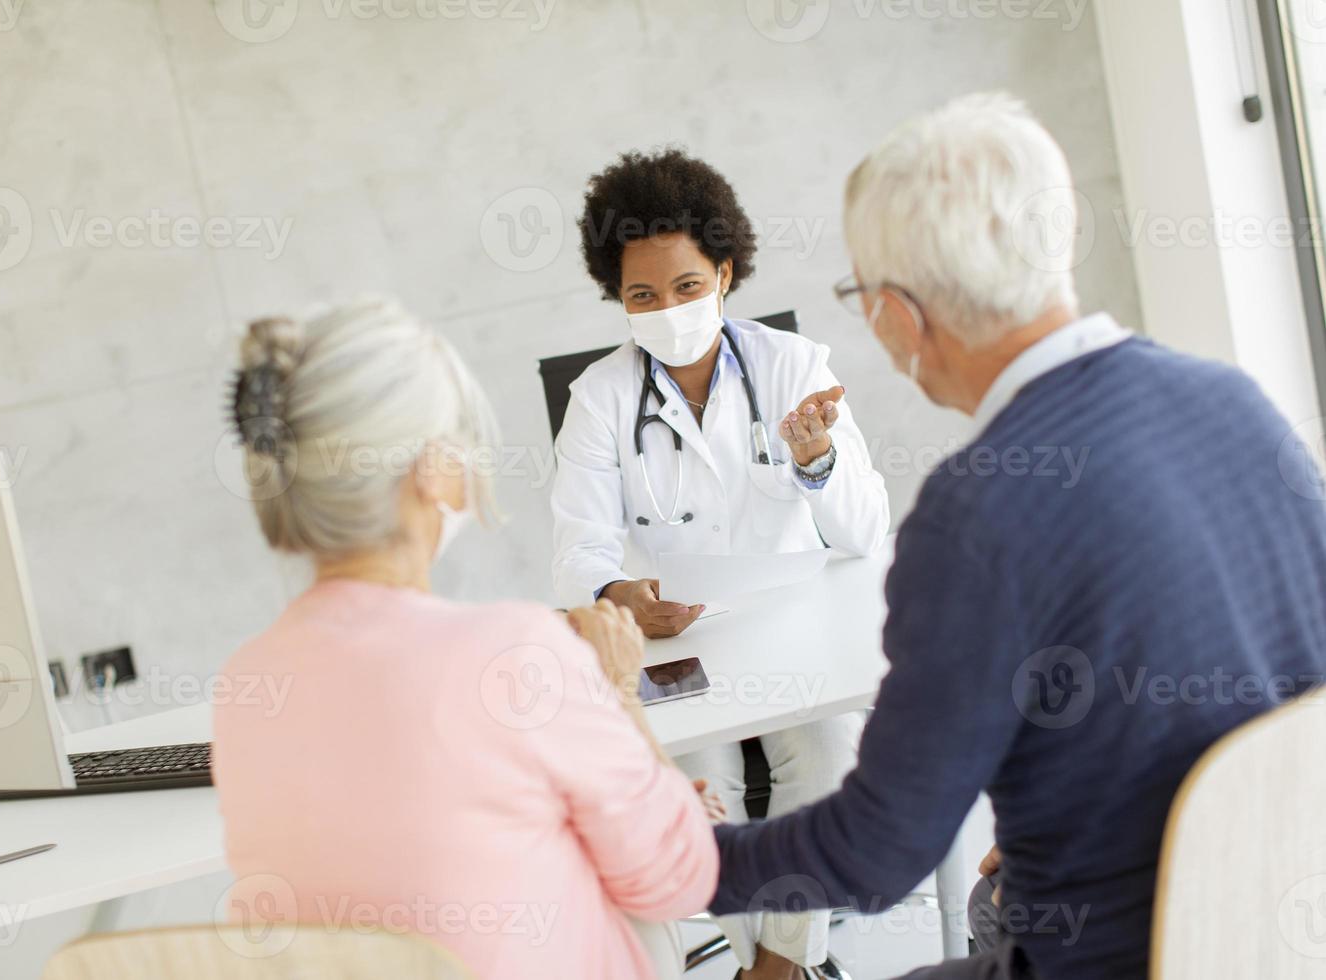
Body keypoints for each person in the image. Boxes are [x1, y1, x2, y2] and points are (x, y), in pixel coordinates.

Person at [708, 92, 1326, 980]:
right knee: (988, 902)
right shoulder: (1237, 403)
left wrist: (688, 856)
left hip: (1132, 957)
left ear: (896, 315)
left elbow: (879, 854)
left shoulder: (975, 514)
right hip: (1284, 933)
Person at [211, 298, 721, 980]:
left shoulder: (243, 687)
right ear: (431, 468)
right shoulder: (512, 652)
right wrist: (618, 697)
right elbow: (676, 881)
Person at [551, 148, 891, 980]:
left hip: (798, 629)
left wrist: (815, 463)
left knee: (826, 761)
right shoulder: (600, 398)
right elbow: (578, 551)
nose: (666, 309)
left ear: (726, 273)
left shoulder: (793, 369)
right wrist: (615, 593)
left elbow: (865, 535)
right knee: (692, 788)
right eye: (642, 295)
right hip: (680, 644)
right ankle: (781, 965)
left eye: (686, 287)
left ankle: (770, 968)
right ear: (617, 298)